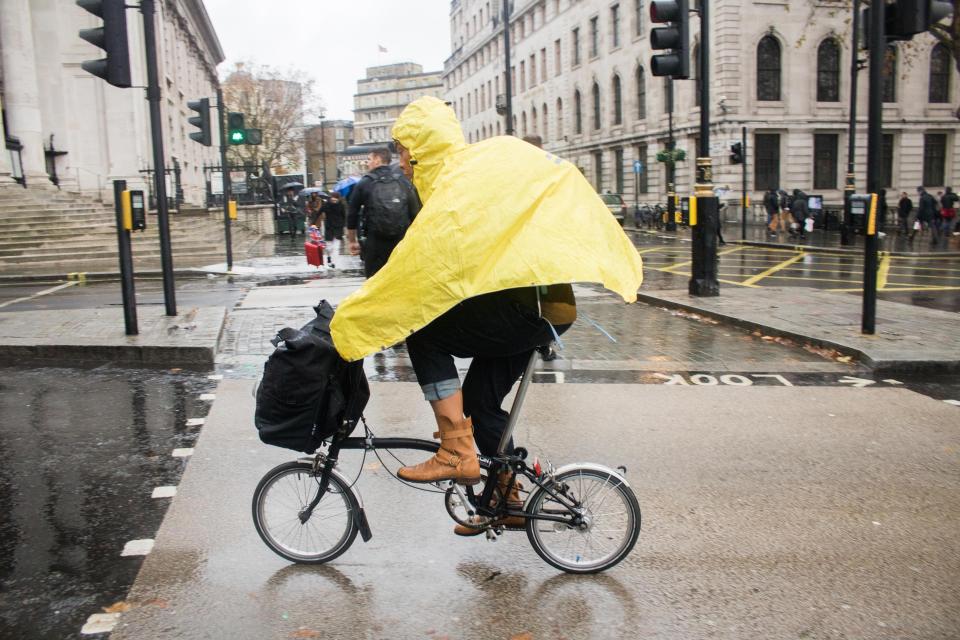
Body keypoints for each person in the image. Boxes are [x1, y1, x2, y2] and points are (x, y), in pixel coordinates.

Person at [330, 97, 643, 534]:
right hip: (543, 307)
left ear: (421, 149)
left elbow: (413, 272)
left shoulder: (453, 190)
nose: (402, 164)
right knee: (480, 402)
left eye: (404, 152)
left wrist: (351, 324)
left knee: (423, 334)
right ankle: (507, 497)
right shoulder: (476, 167)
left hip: (526, 311)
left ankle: (455, 450)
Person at [346, 147, 420, 278]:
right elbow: (415, 213)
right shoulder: (403, 181)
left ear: (377, 159)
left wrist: (352, 241)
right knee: (399, 279)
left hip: (375, 242)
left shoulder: (365, 183)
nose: (367, 163)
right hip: (400, 241)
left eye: (369, 159)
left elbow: (352, 214)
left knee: (374, 281)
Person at [321, 192, 346, 268]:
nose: (334, 200)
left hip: (338, 228)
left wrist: (344, 226)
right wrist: (313, 223)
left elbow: (344, 216)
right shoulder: (326, 205)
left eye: (336, 199)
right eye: (333, 198)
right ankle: (329, 257)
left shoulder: (341, 205)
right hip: (329, 228)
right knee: (329, 247)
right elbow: (319, 212)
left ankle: (334, 263)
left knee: (336, 248)